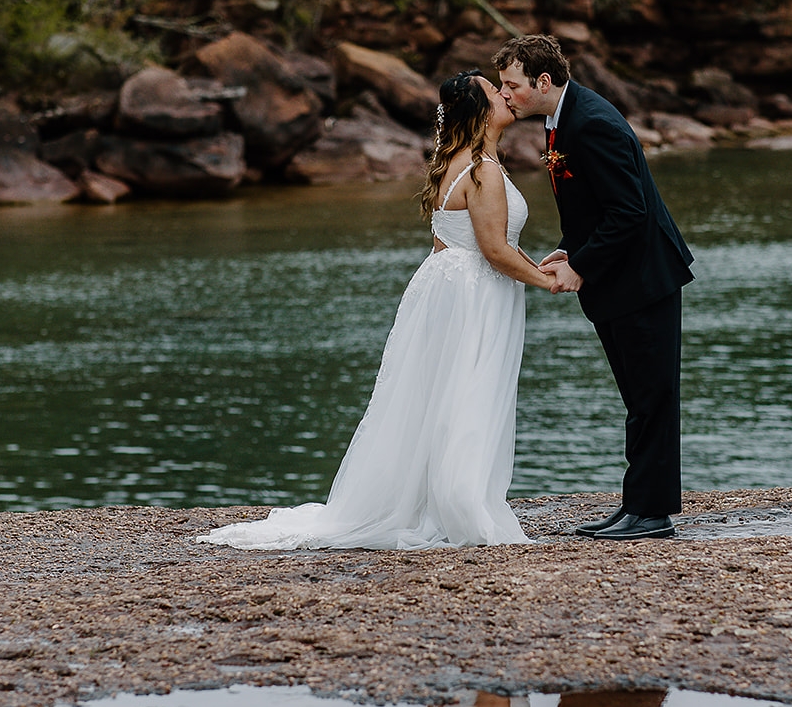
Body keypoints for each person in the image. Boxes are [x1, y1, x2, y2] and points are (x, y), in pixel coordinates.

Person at [194, 70, 554, 550]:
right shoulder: (482, 170)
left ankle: (439, 497)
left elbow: (460, 241)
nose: (507, 94)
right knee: (468, 393)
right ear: (479, 110)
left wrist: (534, 264)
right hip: (475, 293)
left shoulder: (461, 161)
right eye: (496, 90)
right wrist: (549, 281)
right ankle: (462, 503)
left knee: (442, 397)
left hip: (449, 286)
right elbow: (493, 250)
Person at [494, 35, 695, 541]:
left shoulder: (592, 123)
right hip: (620, 277)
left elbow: (631, 212)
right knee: (639, 396)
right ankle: (638, 505)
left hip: (642, 279)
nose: (505, 94)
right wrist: (569, 248)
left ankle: (651, 513)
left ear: (543, 81)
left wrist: (581, 264)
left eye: (511, 84)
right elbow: (594, 205)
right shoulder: (562, 117)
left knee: (652, 395)